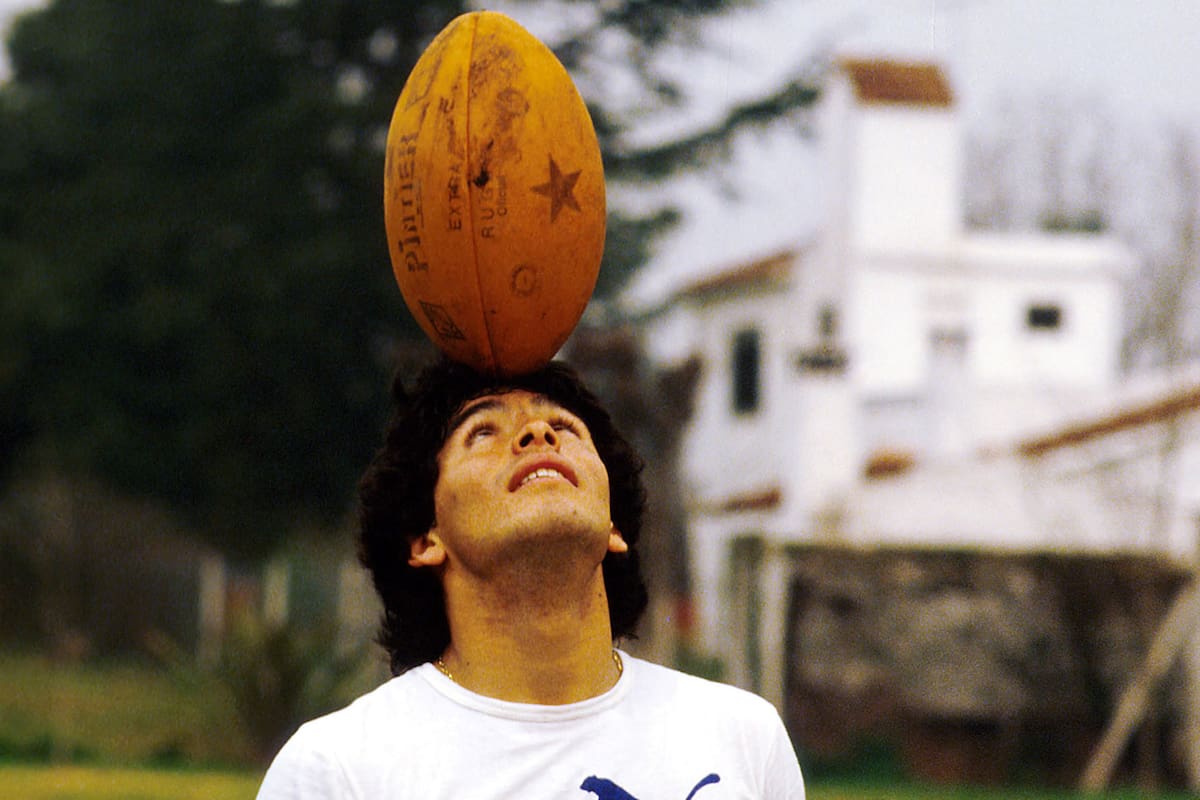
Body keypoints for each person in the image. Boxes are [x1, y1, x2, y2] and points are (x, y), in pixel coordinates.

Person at [257, 358, 806, 799]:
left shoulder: (744, 739)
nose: (538, 433)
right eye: (484, 431)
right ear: (426, 538)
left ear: (615, 526)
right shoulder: (338, 772)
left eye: (565, 427)